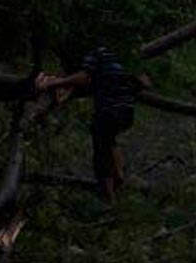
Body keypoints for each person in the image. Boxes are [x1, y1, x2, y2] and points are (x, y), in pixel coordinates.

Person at [34, 44, 139, 202]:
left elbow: (83, 77)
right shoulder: (118, 54)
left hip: (109, 109)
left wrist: (54, 83)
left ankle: (108, 198)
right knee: (110, 140)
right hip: (127, 109)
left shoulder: (97, 52)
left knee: (101, 151)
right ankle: (119, 177)